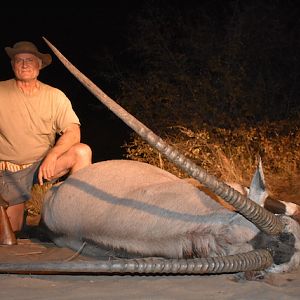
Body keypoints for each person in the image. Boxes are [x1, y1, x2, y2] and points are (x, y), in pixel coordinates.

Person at [0, 40, 92, 233]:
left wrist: (53, 155)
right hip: (9, 172)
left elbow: (73, 131)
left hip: (43, 167)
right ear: (12, 65)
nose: (25, 64)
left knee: (82, 152)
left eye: (30, 60)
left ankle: (74, 221)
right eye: (19, 60)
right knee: (11, 232)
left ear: (39, 65)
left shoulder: (55, 96)